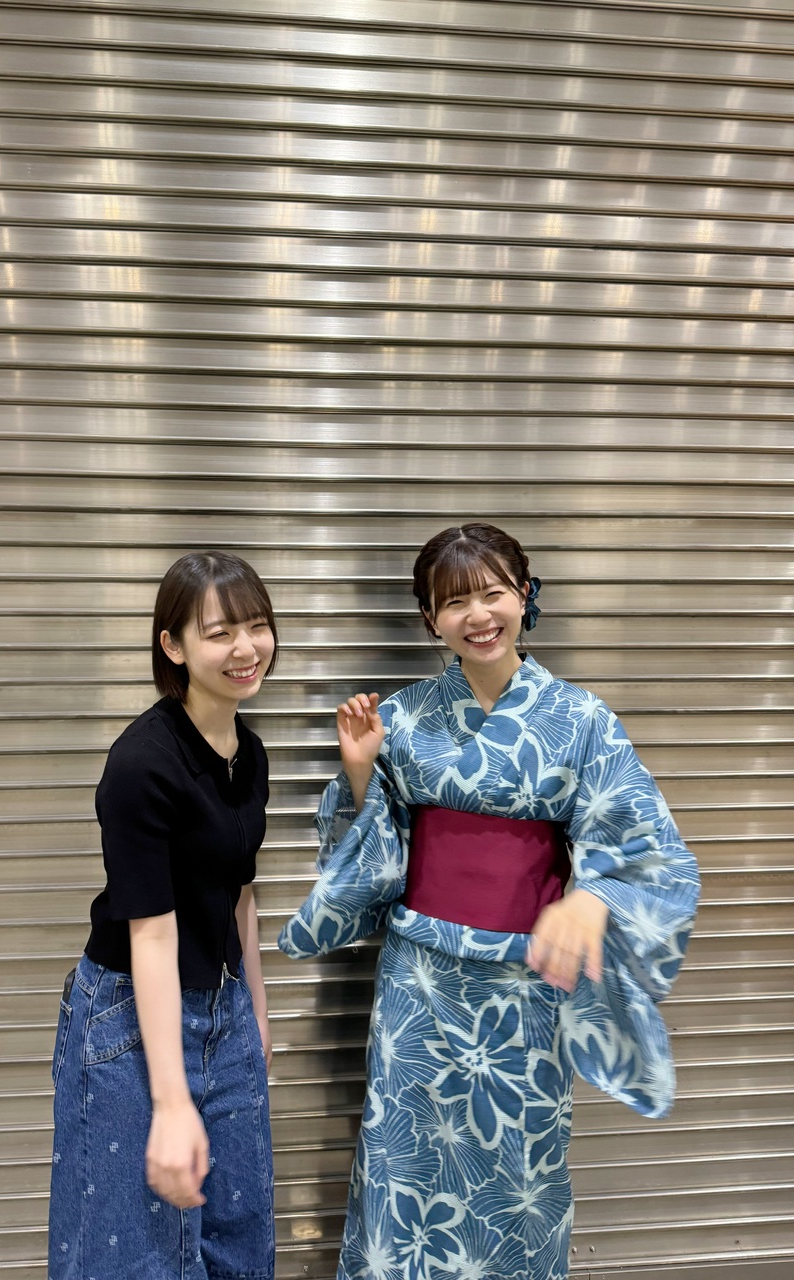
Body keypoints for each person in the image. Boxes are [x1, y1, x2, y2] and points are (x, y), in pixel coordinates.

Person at [279, 522, 700, 1280]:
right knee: (402, 1168)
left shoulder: (582, 720)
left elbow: (649, 852)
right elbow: (371, 855)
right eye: (454, 602)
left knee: (520, 1180)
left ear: (524, 595)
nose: (477, 615)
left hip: (523, 989)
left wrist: (594, 898)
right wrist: (362, 771)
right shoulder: (404, 716)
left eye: (493, 593)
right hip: (419, 985)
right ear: (430, 618)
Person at [49, 551, 278, 1280]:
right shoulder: (142, 763)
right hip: (129, 1015)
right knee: (134, 1257)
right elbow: (150, 931)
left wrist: (257, 1013)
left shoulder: (249, 752)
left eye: (257, 626)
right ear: (172, 646)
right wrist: (171, 1100)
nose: (245, 648)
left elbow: (240, 891)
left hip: (223, 1009)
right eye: (219, 632)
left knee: (238, 1245)